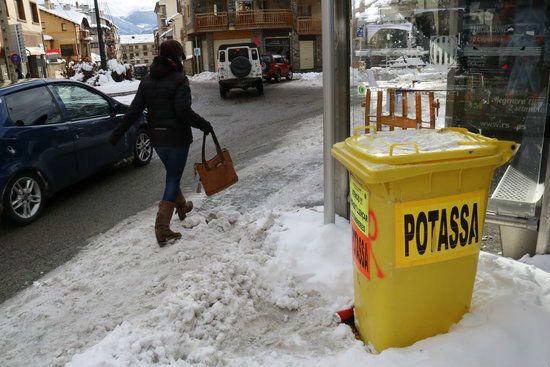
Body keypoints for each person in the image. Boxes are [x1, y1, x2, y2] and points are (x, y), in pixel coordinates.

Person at [109, 40, 213, 246]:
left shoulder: (146, 80)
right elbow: (183, 111)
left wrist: (117, 133)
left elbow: (134, 110)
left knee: (172, 174)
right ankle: (162, 227)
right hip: (176, 138)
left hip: (157, 139)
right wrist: (204, 124)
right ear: (177, 56)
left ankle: (182, 206)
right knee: (173, 178)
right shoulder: (179, 79)